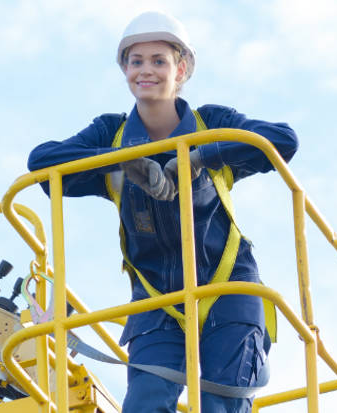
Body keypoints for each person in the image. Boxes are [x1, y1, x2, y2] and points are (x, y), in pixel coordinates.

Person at [25, 11, 298, 413]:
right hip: (156, 302)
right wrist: (121, 161)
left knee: (222, 403)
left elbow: (282, 140)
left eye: (159, 61)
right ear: (124, 69)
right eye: (136, 61)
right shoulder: (111, 134)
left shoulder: (211, 122)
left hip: (228, 289)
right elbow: (43, 163)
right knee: (143, 406)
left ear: (181, 69)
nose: (145, 71)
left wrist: (203, 154)